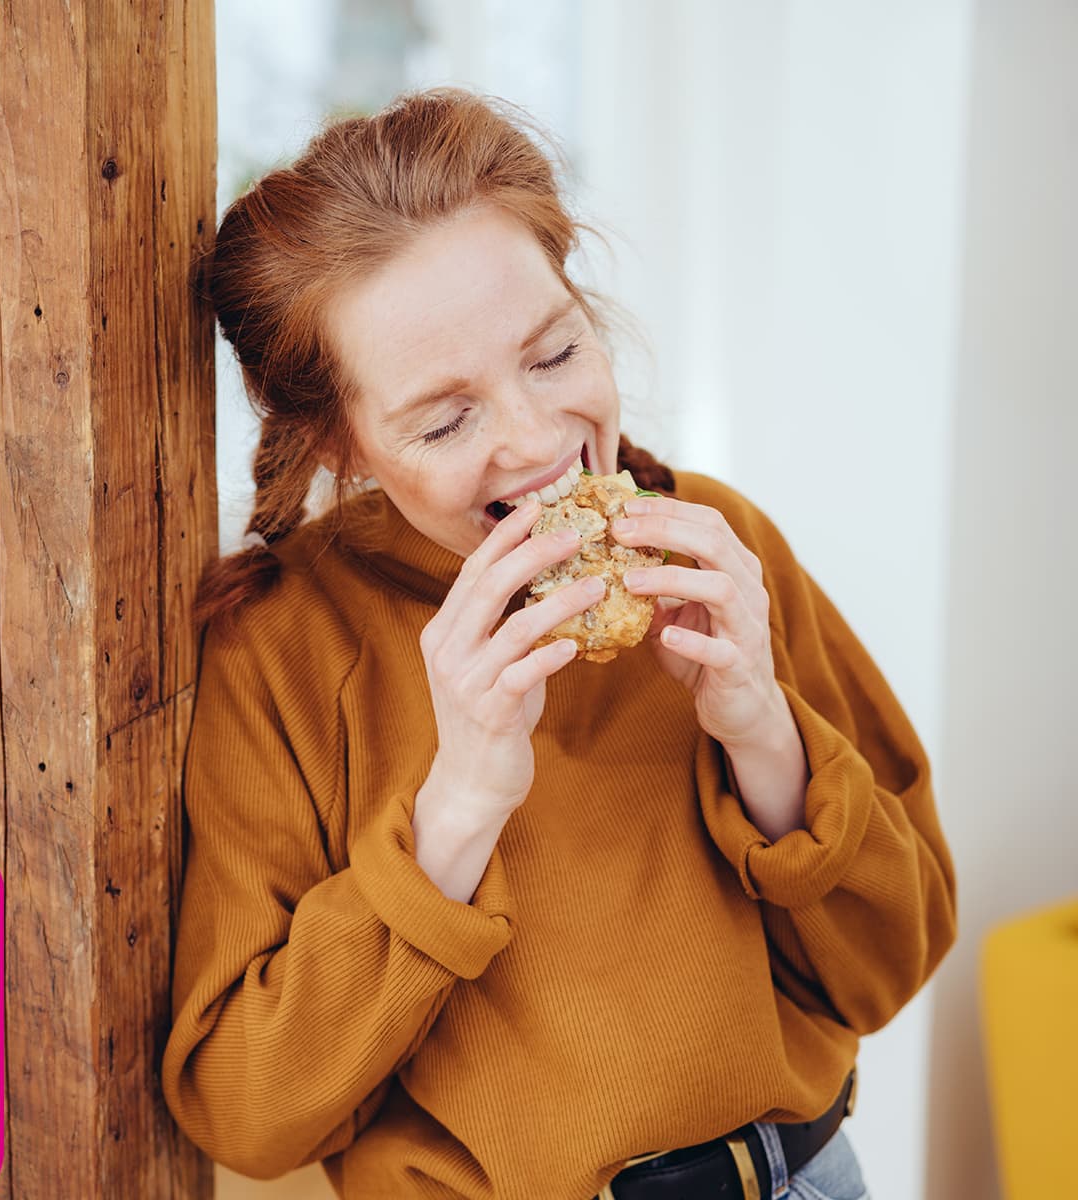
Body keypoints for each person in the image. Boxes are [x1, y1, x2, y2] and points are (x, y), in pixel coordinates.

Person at [160, 88, 956, 1200]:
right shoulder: (284, 647)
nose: (537, 444)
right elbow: (247, 1115)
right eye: (444, 421)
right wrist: (460, 805)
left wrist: (762, 734)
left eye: (553, 353)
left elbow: (889, 970)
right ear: (338, 440)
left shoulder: (719, 547)